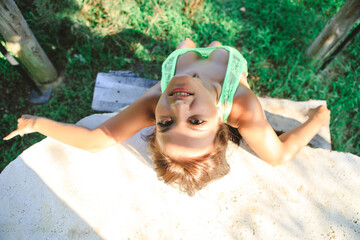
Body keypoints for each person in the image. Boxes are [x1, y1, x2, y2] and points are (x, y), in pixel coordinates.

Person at [3, 39, 330, 196]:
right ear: (221, 121)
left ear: (154, 123)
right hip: (225, 66)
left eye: (166, 124)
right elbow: (280, 155)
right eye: (196, 122)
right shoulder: (242, 107)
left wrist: (35, 124)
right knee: (216, 47)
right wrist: (317, 120)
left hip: (182, 63)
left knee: (187, 46)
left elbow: (94, 140)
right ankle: (211, 48)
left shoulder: (154, 100)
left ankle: (189, 47)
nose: (177, 107)